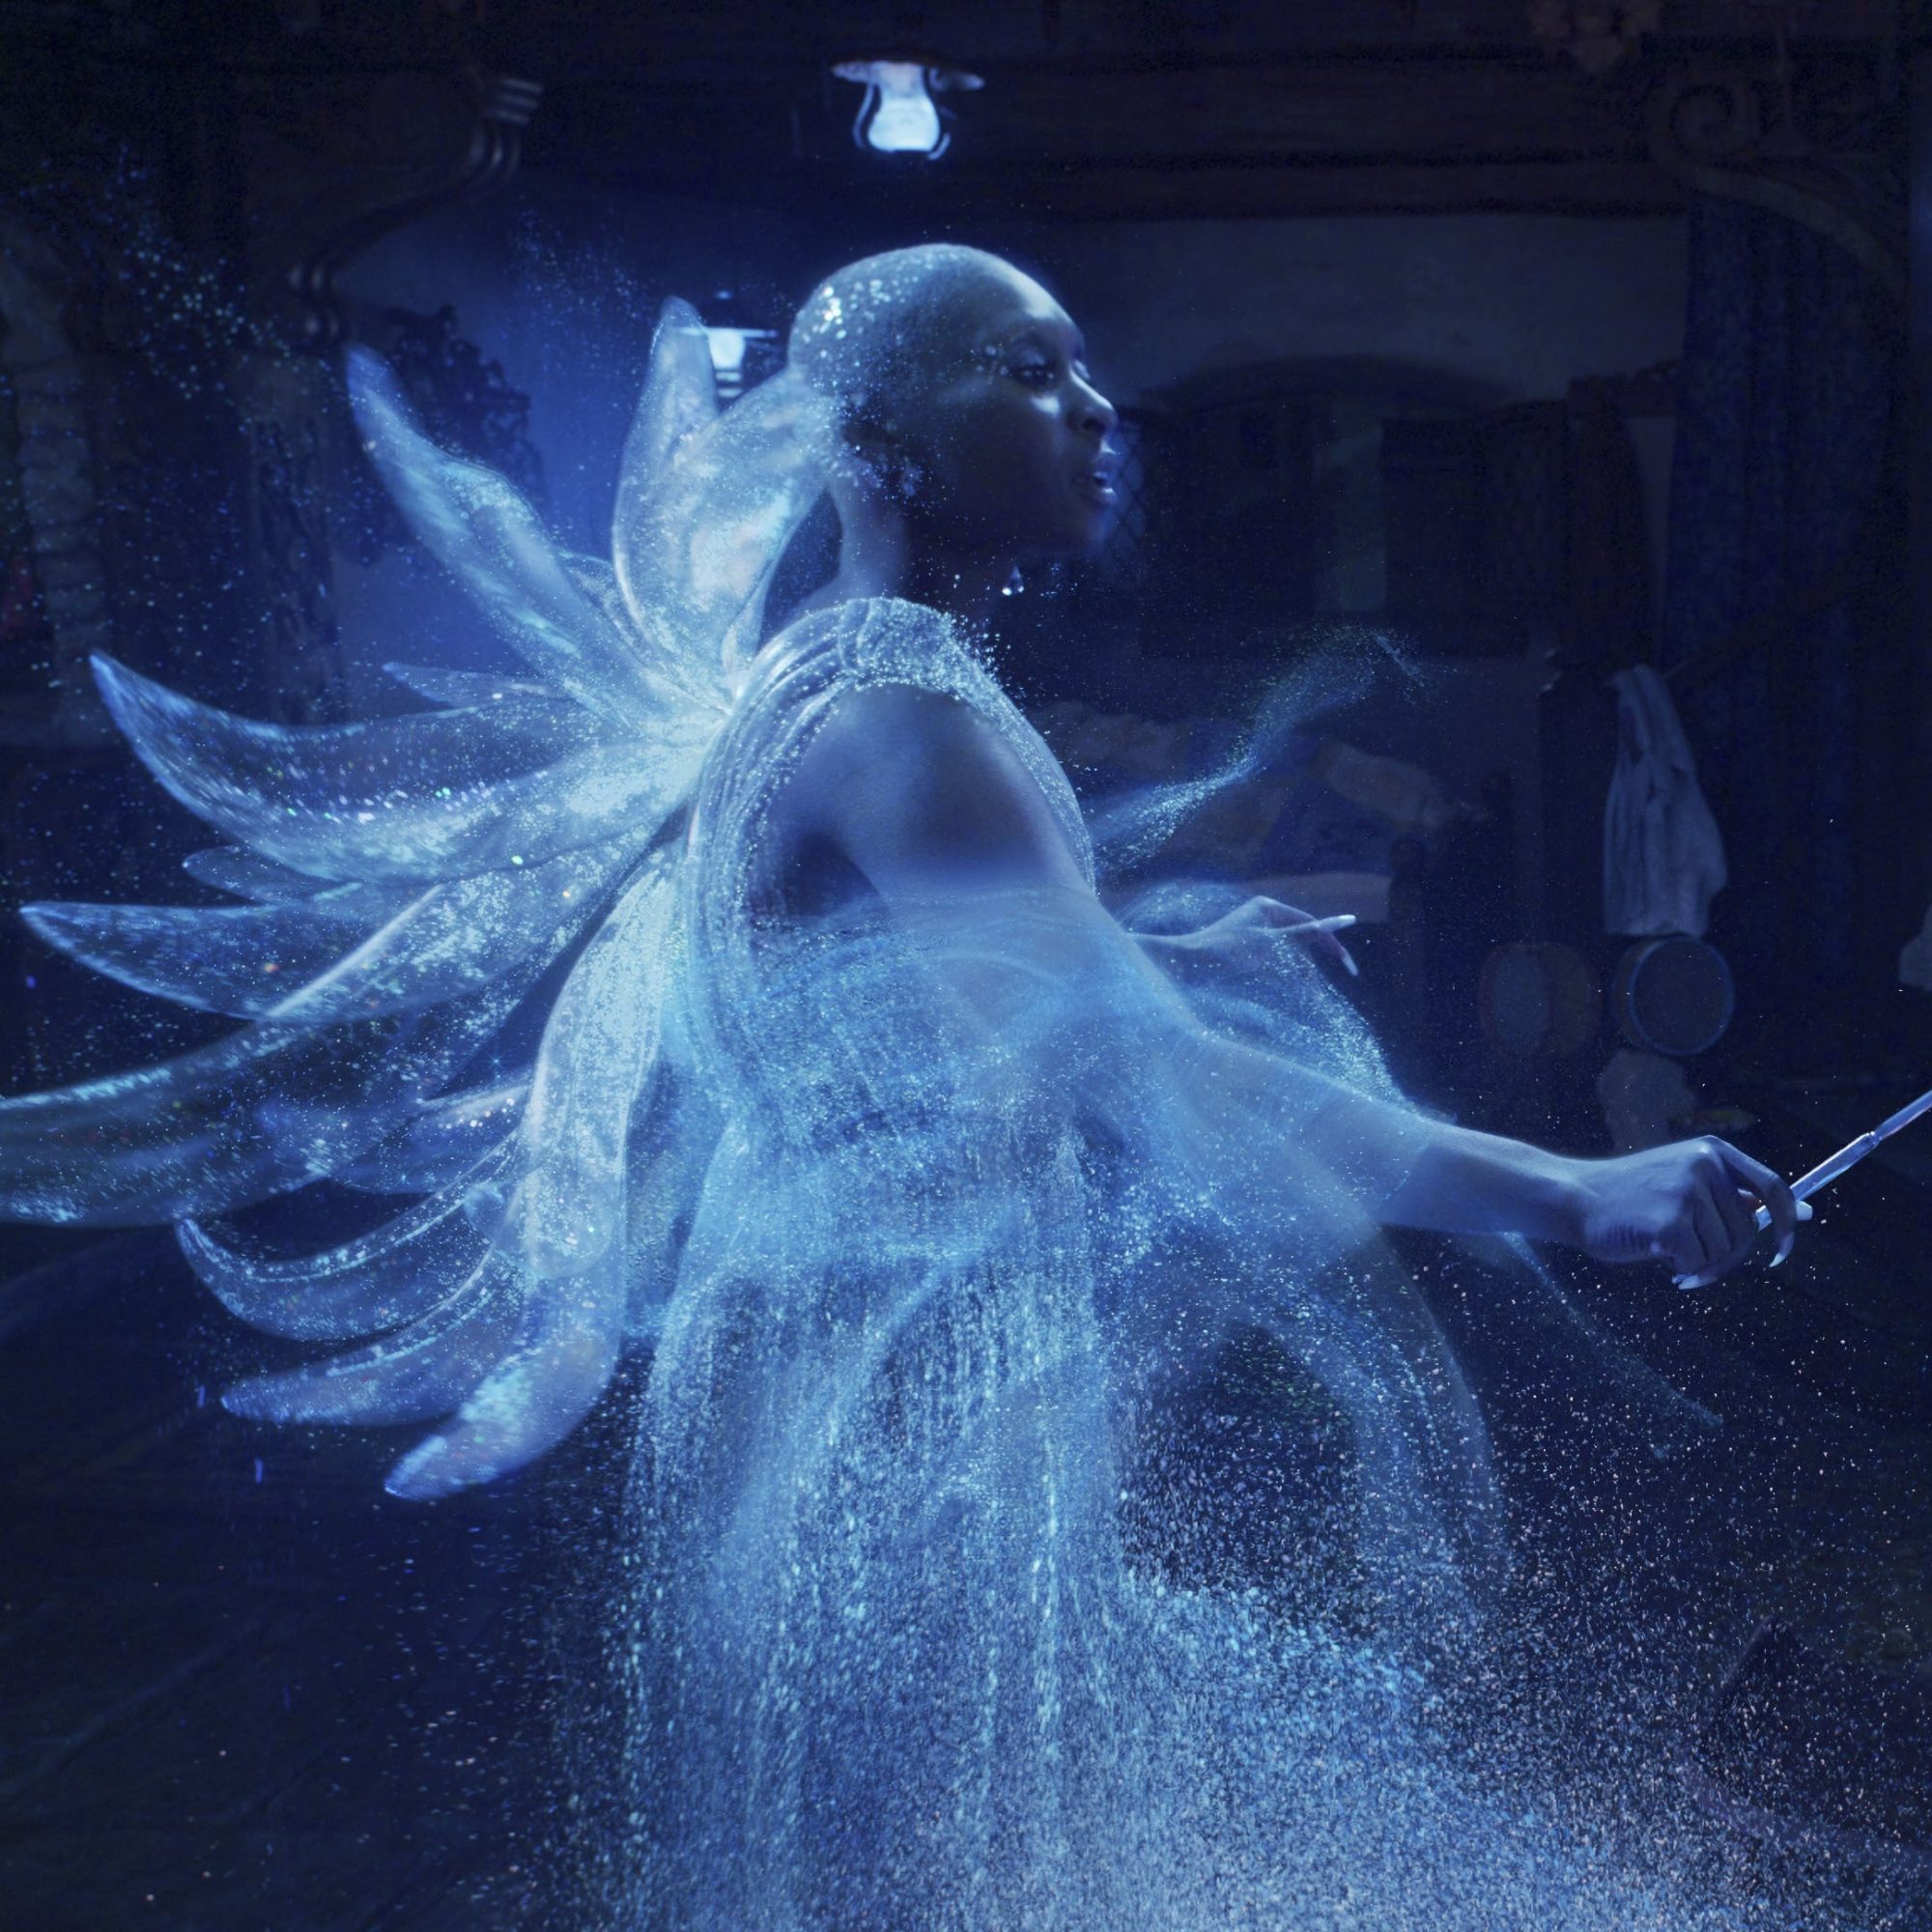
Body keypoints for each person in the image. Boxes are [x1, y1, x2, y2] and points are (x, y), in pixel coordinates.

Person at [0, 244, 1804, 1926]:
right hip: (891, 1401)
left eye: (1085, 370)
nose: (1092, 410)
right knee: (946, 1852)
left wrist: (1154, 942)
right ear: (872, 442)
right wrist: (1577, 1193)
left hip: (837, 1357)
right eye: (1026, 372)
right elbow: (1165, 1088)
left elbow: (867, 979)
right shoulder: (905, 725)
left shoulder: (811, 676)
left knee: (918, 1837)